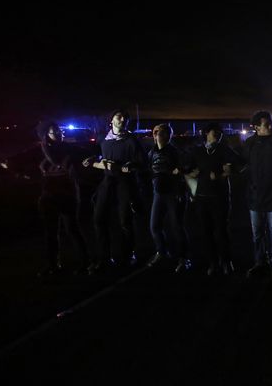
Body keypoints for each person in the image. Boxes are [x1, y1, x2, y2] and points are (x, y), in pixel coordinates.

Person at [83, 109, 146, 272]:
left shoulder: (131, 140)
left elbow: (142, 162)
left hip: (125, 183)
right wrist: (92, 159)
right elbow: (98, 154)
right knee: (98, 219)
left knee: (125, 220)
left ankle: (128, 255)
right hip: (108, 181)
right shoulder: (103, 138)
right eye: (119, 116)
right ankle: (104, 257)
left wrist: (128, 166)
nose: (123, 119)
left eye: (125, 117)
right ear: (111, 120)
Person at [186, 123, 242, 276]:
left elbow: (238, 165)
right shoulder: (197, 151)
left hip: (220, 197)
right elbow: (188, 170)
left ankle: (226, 261)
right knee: (206, 232)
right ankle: (212, 262)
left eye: (219, 133)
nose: (218, 135)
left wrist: (225, 173)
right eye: (214, 132)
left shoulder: (224, 150)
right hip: (202, 198)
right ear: (206, 134)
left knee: (222, 231)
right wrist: (191, 176)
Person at [36, 122, 90, 276]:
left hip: (68, 195)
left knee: (72, 229)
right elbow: (19, 159)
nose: (59, 135)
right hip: (49, 196)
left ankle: (85, 262)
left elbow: (86, 152)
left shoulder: (68, 148)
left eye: (60, 132)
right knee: (51, 233)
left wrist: (92, 157)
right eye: (55, 132)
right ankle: (53, 265)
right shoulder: (40, 150)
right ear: (46, 134)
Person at [243, 111, 272, 280]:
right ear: (256, 127)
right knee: (257, 234)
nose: (271, 126)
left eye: (271, 123)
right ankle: (259, 262)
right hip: (254, 196)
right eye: (267, 124)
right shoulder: (249, 144)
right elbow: (244, 165)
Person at [146, 124, 191, 273]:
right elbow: (148, 170)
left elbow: (187, 166)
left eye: (161, 133)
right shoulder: (152, 152)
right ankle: (162, 252)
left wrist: (180, 171)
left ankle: (184, 258)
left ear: (167, 136)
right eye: (155, 132)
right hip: (158, 193)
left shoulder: (174, 152)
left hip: (173, 193)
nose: (157, 135)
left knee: (176, 227)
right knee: (154, 226)